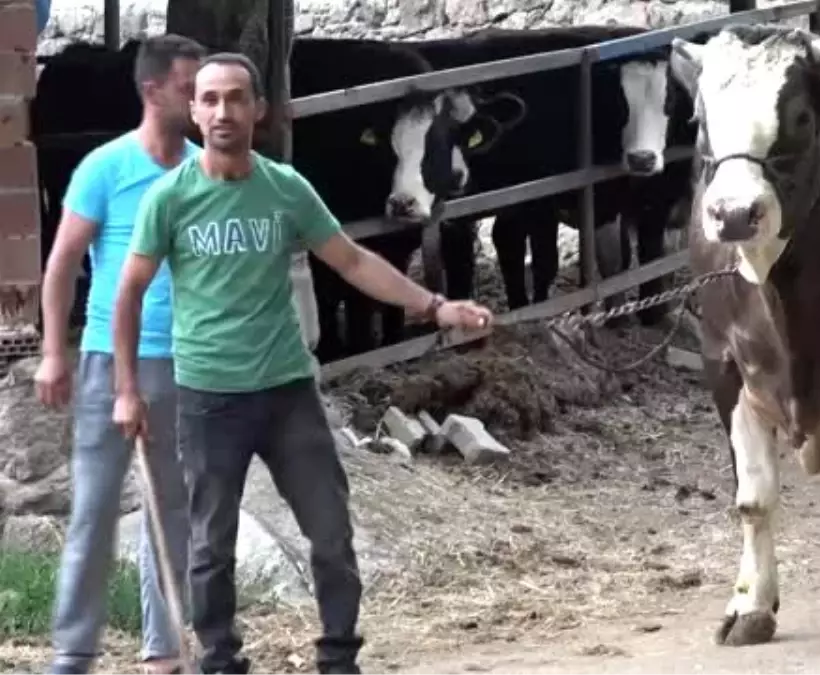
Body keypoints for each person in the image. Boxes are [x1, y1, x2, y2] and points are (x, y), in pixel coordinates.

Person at [109, 52, 494, 675]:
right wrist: (126, 389)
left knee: (331, 534)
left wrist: (435, 304)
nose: (222, 111)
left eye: (236, 98)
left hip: (289, 393)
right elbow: (128, 292)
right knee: (210, 544)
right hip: (209, 398)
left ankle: (338, 656)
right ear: (192, 110)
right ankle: (220, 659)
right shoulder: (169, 200)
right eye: (209, 99)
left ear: (259, 110)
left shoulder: (285, 188)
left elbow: (350, 261)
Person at [33, 34, 208, 675]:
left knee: (173, 508)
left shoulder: (202, 169)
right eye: (189, 89)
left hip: (185, 360)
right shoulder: (106, 168)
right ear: (152, 91)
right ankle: (72, 655)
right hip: (111, 357)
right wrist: (56, 352)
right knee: (96, 510)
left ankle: (165, 651)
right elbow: (62, 266)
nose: (200, 103)